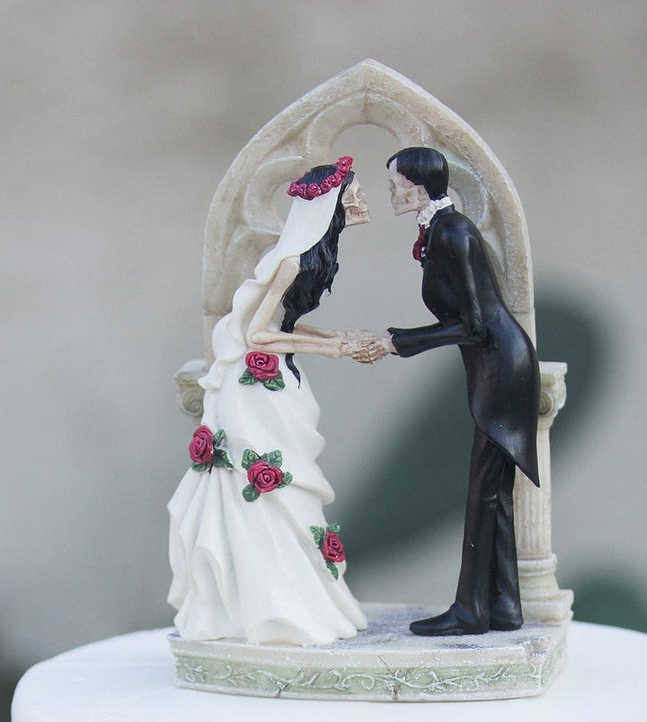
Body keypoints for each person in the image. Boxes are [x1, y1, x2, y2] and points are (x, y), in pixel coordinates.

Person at [168, 156, 378, 646]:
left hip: (278, 378)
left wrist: (335, 335)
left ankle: (297, 595)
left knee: (289, 489)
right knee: (270, 489)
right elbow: (259, 334)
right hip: (255, 388)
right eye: (355, 192)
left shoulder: (312, 259)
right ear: (331, 203)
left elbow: (282, 325)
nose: (361, 200)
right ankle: (270, 603)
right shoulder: (291, 261)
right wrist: (332, 348)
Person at [374, 146, 540, 637]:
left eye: (396, 183)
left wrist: (398, 342)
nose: (392, 192)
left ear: (420, 184)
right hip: (491, 364)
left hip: (502, 366)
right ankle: (504, 606)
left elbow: (473, 325)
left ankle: (470, 610)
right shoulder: (440, 232)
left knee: (480, 493)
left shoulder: (454, 234)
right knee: (494, 495)